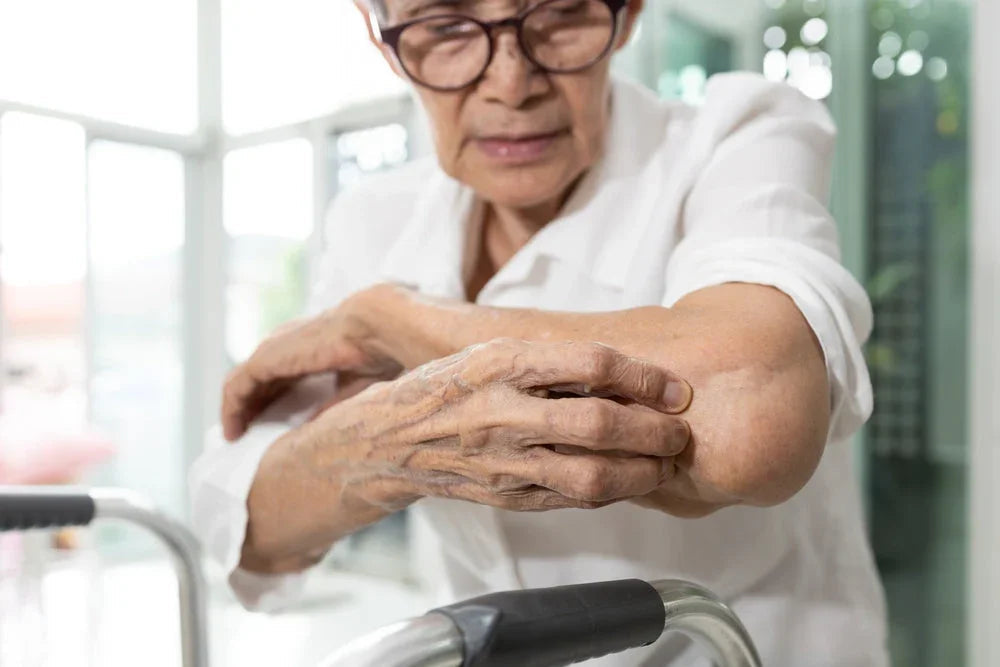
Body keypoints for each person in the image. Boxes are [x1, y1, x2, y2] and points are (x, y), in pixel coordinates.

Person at [190, 0, 888, 663]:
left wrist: (392, 321)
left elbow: (749, 415)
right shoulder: (372, 220)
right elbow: (241, 518)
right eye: (445, 25)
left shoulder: (740, 134)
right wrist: (379, 447)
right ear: (382, 35)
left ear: (628, 14)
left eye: (560, 14)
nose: (511, 84)